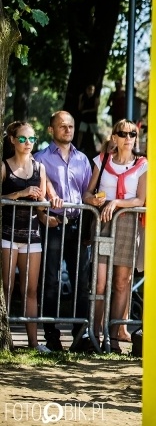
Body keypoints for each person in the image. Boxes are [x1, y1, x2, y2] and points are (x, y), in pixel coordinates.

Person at [83, 119, 147, 352]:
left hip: (127, 222)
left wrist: (116, 202)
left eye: (132, 133)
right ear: (114, 137)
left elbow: (140, 199)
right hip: (104, 222)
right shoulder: (102, 160)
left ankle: (114, 337)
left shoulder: (142, 164)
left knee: (122, 282)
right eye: (123, 133)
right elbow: (87, 192)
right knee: (100, 282)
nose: (128, 137)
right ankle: (95, 335)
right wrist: (94, 200)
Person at [34, 111, 93, 352]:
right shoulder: (40, 158)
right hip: (53, 225)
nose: (67, 130)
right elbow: (37, 194)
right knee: (50, 281)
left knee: (81, 281)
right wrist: (43, 212)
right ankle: (51, 337)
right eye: (62, 126)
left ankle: (80, 338)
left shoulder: (83, 160)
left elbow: (87, 194)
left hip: (77, 225)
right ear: (51, 130)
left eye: (70, 126)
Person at [1, 121, 49, 353]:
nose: (27, 143)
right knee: (6, 288)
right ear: (12, 140)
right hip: (7, 234)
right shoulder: (4, 167)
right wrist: (21, 193)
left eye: (31, 139)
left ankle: (33, 343)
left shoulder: (40, 168)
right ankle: (5, 339)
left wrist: (47, 210)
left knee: (30, 291)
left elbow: (41, 205)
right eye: (22, 139)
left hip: (32, 235)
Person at [76, 84, 103, 152]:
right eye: (89, 89)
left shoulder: (96, 99)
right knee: (81, 132)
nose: (90, 91)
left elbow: (95, 109)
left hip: (92, 118)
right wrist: (80, 99)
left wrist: (86, 111)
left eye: (92, 90)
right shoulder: (84, 98)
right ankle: (78, 147)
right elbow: (79, 108)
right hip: (84, 118)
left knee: (96, 133)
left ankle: (105, 145)